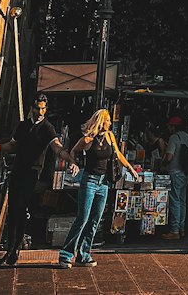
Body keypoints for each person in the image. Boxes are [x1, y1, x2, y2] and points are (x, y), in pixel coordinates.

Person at [0, 93, 72, 267]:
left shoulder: (47, 127)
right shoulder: (23, 126)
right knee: (13, 210)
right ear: (32, 108)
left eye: (43, 108)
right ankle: (10, 250)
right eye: (37, 108)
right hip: (18, 170)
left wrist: (69, 157)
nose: (40, 111)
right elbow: (13, 145)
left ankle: (14, 251)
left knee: (20, 208)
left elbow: (56, 146)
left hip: (33, 173)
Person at [59, 109, 141, 269]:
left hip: (104, 183)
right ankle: (66, 254)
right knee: (82, 218)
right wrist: (73, 163)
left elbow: (118, 154)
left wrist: (130, 168)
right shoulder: (88, 139)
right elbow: (74, 150)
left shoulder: (110, 136)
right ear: (100, 121)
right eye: (107, 120)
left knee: (95, 220)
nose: (109, 123)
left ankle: (84, 254)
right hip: (89, 180)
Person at [162, 114, 188, 240]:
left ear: (173, 127)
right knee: (182, 201)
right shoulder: (187, 137)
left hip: (175, 173)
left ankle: (175, 231)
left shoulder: (173, 138)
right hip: (185, 173)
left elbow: (169, 156)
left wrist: (164, 163)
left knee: (175, 201)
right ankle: (181, 229)